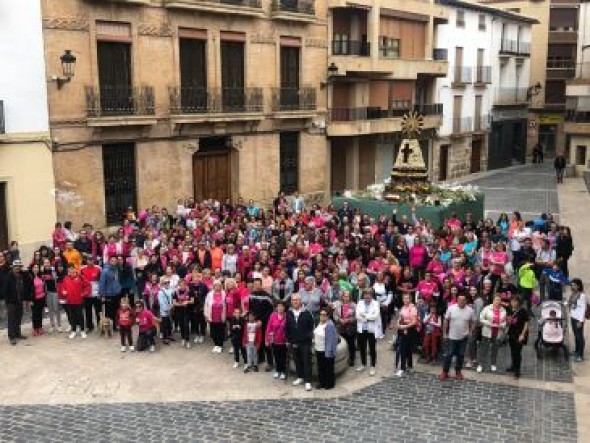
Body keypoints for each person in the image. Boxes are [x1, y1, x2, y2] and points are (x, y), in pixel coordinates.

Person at [439, 293, 475, 381]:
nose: (461, 301)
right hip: (451, 337)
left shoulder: (470, 310)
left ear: (466, 301)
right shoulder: (451, 308)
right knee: (449, 355)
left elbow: (474, 321)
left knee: (461, 355)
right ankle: (445, 372)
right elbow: (446, 320)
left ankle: (458, 371)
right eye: (459, 299)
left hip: (463, 337)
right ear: (457, 300)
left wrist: (470, 331)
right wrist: (444, 333)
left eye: (463, 300)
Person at [285, 293, 314, 391]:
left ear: (300, 301)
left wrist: (308, 337)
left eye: (296, 300)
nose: (295, 302)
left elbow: (311, 326)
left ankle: (308, 381)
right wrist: (289, 339)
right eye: (293, 300)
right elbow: (287, 327)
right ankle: (300, 377)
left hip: (305, 342)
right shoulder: (289, 313)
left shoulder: (307, 312)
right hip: (294, 342)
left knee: (306, 361)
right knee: (297, 360)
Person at [4, 260, 33, 345]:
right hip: (11, 302)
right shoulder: (8, 276)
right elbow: (5, 290)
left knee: (18, 318)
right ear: (13, 267)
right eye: (16, 266)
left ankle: (17, 334)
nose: (18, 267)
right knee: (11, 320)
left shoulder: (21, 275)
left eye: (19, 266)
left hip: (20, 301)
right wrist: (8, 302)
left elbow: (28, 279)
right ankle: (12, 337)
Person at [477, 295, 507, 373]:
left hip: (497, 333)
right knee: (484, 349)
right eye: (496, 300)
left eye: (499, 300)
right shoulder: (487, 309)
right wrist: (489, 323)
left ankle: (493, 364)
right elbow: (481, 318)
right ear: (493, 300)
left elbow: (505, 321)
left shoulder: (503, 310)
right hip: (487, 332)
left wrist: (502, 325)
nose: (497, 302)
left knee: (495, 349)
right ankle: (480, 364)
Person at [356, 288, 380, 376]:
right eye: (365, 295)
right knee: (362, 348)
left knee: (372, 348)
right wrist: (368, 317)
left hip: (371, 330)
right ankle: (363, 364)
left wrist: (365, 316)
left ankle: (373, 366)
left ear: (371, 295)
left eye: (369, 295)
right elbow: (357, 316)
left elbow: (375, 316)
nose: (367, 296)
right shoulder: (360, 303)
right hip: (361, 329)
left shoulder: (375, 303)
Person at [61, 265, 89, 339]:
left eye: (72, 269)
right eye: (69, 270)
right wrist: (63, 291)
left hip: (79, 301)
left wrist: (84, 293)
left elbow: (87, 286)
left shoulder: (80, 277)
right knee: (72, 317)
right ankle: (74, 331)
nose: (70, 271)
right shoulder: (65, 278)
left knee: (80, 316)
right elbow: (63, 287)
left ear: (74, 270)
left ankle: (82, 330)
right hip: (70, 301)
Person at [314, 307, 338, 389]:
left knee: (328, 368)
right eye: (321, 315)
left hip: (326, 351)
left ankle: (329, 383)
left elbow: (332, 340)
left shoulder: (330, 325)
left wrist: (330, 352)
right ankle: (321, 382)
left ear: (328, 316)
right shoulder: (319, 323)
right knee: (320, 368)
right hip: (318, 349)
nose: (322, 316)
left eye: (324, 315)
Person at [395, 292, 418, 377]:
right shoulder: (403, 307)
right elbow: (400, 317)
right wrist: (398, 323)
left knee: (403, 349)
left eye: (407, 298)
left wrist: (405, 326)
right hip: (402, 329)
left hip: (409, 330)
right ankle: (410, 366)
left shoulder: (413, 308)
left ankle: (402, 368)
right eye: (404, 298)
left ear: (410, 299)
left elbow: (414, 322)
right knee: (407, 349)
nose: (405, 300)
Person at [333, 290, 357, 367]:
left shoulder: (353, 305)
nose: (346, 298)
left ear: (350, 297)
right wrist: (339, 320)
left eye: (347, 296)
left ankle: (352, 359)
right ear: (342, 297)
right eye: (344, 296)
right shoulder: (338, 304)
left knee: (351, 344)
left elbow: (356, 316)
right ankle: (344, 358)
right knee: (343, 343)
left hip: (350, 328)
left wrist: (348, 320)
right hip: (340, 328)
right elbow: (335, 315)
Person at [266, 300, 288, 379]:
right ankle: (277, 370)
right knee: (276, 356)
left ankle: (283, 371)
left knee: (283, 357)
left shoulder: (287, 316)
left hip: (284, 341)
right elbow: (269, 327)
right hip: (274, 340)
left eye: (282, 306)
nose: (280, 308)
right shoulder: (272, 315)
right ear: (276, 307)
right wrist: (267, 339)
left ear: (284, 308)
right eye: (278, 306)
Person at [99, 256, 122, 330]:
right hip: (109, 294)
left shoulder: (116, 269)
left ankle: (116, 325)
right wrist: (102, 295)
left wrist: (119, 289)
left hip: (117, 293)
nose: (114, 262)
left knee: (116, 310)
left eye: (115, 261)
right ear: (109, 261)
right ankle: (108, 327)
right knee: (109, 311)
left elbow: (117, 280)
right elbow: (102, 283)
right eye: (112, 261)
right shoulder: (105, 271)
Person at [205, 280, 227, 353]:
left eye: (219, 285)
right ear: (214, 286)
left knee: (220, 331)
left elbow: (226, 305)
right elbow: (206, 304)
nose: (217, 287)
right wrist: (206, 315)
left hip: (221, 315)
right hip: (212, 315)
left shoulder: (224, 293)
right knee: (213, 331)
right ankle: (216, 345)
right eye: (216, 285)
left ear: (221, 286)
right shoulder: (210, 294)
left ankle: (220, 345)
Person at [80, 257, 101, 333]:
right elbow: (81, 282)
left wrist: (100, 293)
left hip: (96, 294)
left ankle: (100, 325)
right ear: (86, 261)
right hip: (87, 294)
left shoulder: (98, 269)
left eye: (92, 260)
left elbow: (100, 282)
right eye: (89, 260)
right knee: (88, 311)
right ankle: (89, 326)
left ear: (94, 261)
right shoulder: (82, 270)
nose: (90, 262)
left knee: (98, 311)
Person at [569, 279, 586, 362]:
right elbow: (572, 303)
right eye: (571, 285)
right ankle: (576, 350)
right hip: (573, 317)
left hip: (578, 319)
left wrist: (580, 321)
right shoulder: (574, 293)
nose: (572, 286)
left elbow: (583, 309)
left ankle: (580, 355)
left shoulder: (582, 295)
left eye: (574, 285)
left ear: (578, 286)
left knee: (580, 337)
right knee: (576, 335)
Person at [30, 264, 47, 336]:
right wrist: (30, 300)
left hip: (42, 297)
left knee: (40, 313)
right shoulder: (30, 277)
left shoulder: (41, 276)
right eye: (34, 267)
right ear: (32, 269)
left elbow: (43, 286)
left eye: (37, 267)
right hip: (34, 299)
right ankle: (35, 328)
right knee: (35, 314)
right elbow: (29, 290)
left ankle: (40, 327)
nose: (36, 269)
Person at [157, 278, 175, 345]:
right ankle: (165, 338)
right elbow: (161, 303)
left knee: (169, 324)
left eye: (168, 282)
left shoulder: (171, 290)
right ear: (162, 284)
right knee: (164, 325)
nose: (167, 284)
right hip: (164, 312)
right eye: (165, 283)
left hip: (170, 310)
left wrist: (172, 306)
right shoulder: (161, 292)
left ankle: (169, 336)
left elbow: (172, 299)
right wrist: (167, 309)